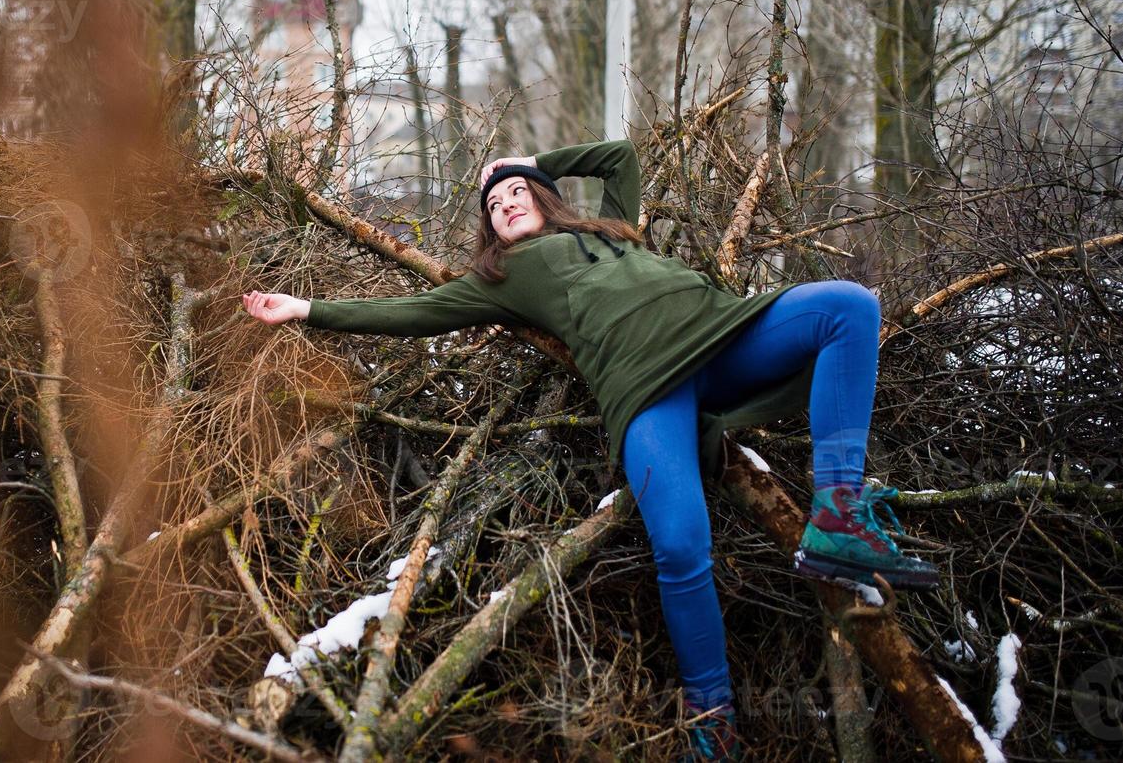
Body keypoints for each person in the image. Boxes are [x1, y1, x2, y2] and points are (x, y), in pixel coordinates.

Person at [242, 140, 939, 762]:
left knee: (848, 306)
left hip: (722, 335)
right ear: (489, 230)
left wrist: (526, 164)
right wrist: (306, 309)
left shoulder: (610, 228)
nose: (508, 202)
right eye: (495, 203)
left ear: (542, 198)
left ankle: (839, 514)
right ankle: (713, 717)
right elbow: (409, 315)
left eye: (517, 193)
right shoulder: (504, 275)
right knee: (678, 545)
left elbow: (618, 159)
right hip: (643, 391)